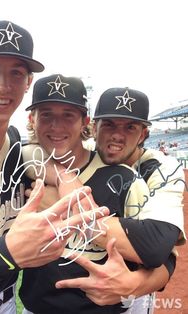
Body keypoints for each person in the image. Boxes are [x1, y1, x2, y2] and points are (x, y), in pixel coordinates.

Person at [0, 22, 107, 314]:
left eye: (16, 72)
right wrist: (7, 253)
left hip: (8, 303)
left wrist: (63, 176)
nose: (3, 85)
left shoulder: (13, 145)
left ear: (28, 82)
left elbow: (30, 152)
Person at [20, 75, 184, 314]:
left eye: (130, 127)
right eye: (109, 124)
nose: (117, 135)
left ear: (143, 134)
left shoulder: (161, 171)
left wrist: (66, 207)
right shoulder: (60, 156)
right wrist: (62, 176)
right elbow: (26, 151)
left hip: (127, 292)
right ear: (93, 127)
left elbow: (158, 248)